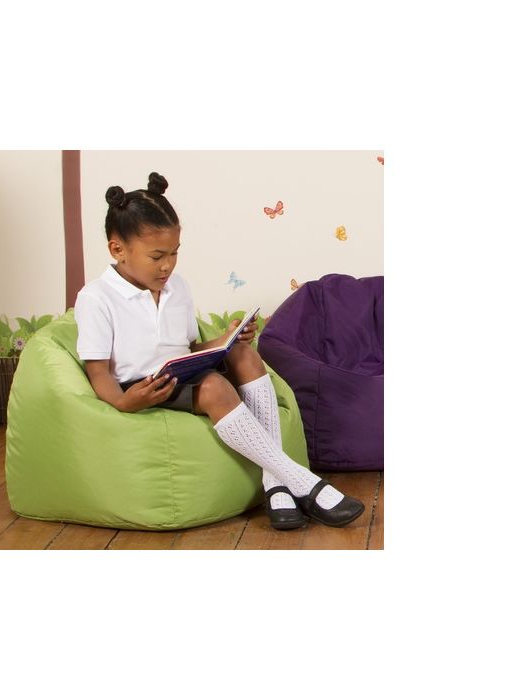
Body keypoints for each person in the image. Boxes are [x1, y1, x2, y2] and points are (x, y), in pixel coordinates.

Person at [74, 172, 364, 530]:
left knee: (244, 354)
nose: (168, 265)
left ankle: (275, 484)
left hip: (181, 370)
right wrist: (125, 402)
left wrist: (227, 339)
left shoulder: (177, 288)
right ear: (118, 249)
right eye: (157, 256)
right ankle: (302, 482)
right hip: (147, 386)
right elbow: (98, 371)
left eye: (175, 253)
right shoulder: (96, 298)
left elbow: (188, 347)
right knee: (214, 386)